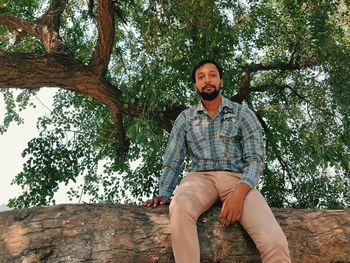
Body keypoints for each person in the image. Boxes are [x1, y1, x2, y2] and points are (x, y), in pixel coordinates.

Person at [144, 59, 291, 263]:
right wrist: (163, 193)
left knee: (275, 242)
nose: (207, 80)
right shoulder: (185, 118)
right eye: (201, 77)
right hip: (199, 179)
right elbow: (173, 159)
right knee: (179, 207)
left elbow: (255, 160)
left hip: (238, 180)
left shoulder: (243, 114)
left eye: (212, 75)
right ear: (195, 85)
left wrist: (239, 194)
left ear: (221, 81)